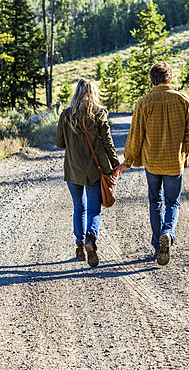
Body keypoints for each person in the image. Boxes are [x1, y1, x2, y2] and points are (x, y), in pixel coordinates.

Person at [115, 62, 189, 266]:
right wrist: (184, 153)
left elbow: (135, 136)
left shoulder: (144, 103)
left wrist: (127, 162)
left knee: (155, 202)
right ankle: (168, 233)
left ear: (152, 80)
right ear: (170, 78)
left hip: (152, 163)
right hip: (174, 163)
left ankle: (158, 243)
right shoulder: (183, 100)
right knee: (173, 202)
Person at [55, 78, 120, 267]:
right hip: (94, 170)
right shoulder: (99, 114)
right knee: (93, 210)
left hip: (73, 170)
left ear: (76, 93)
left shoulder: (66, 115)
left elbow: (59, 143)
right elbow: (108, 142)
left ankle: (79, 247)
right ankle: (90, 239)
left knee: (79, 208)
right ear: (94, 93)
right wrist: (115, 164)